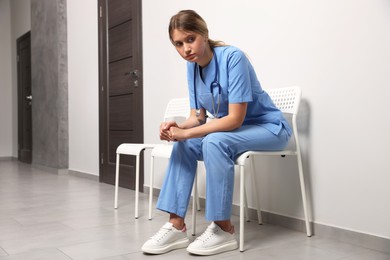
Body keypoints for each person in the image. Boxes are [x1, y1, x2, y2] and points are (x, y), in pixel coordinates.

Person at [141, 10, 292, 256]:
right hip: (234, 132)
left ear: (204, 34)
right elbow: (197, 117)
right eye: (178, 44)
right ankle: (176, 225)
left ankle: (223, 229)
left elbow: (234, 118)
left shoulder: (233, 58)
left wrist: (187, 133)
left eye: (190, 39)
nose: (185, 49)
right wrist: (175, 126)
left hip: (269, 129)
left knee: (213, 141)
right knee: (185, 144)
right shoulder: (192, 68)